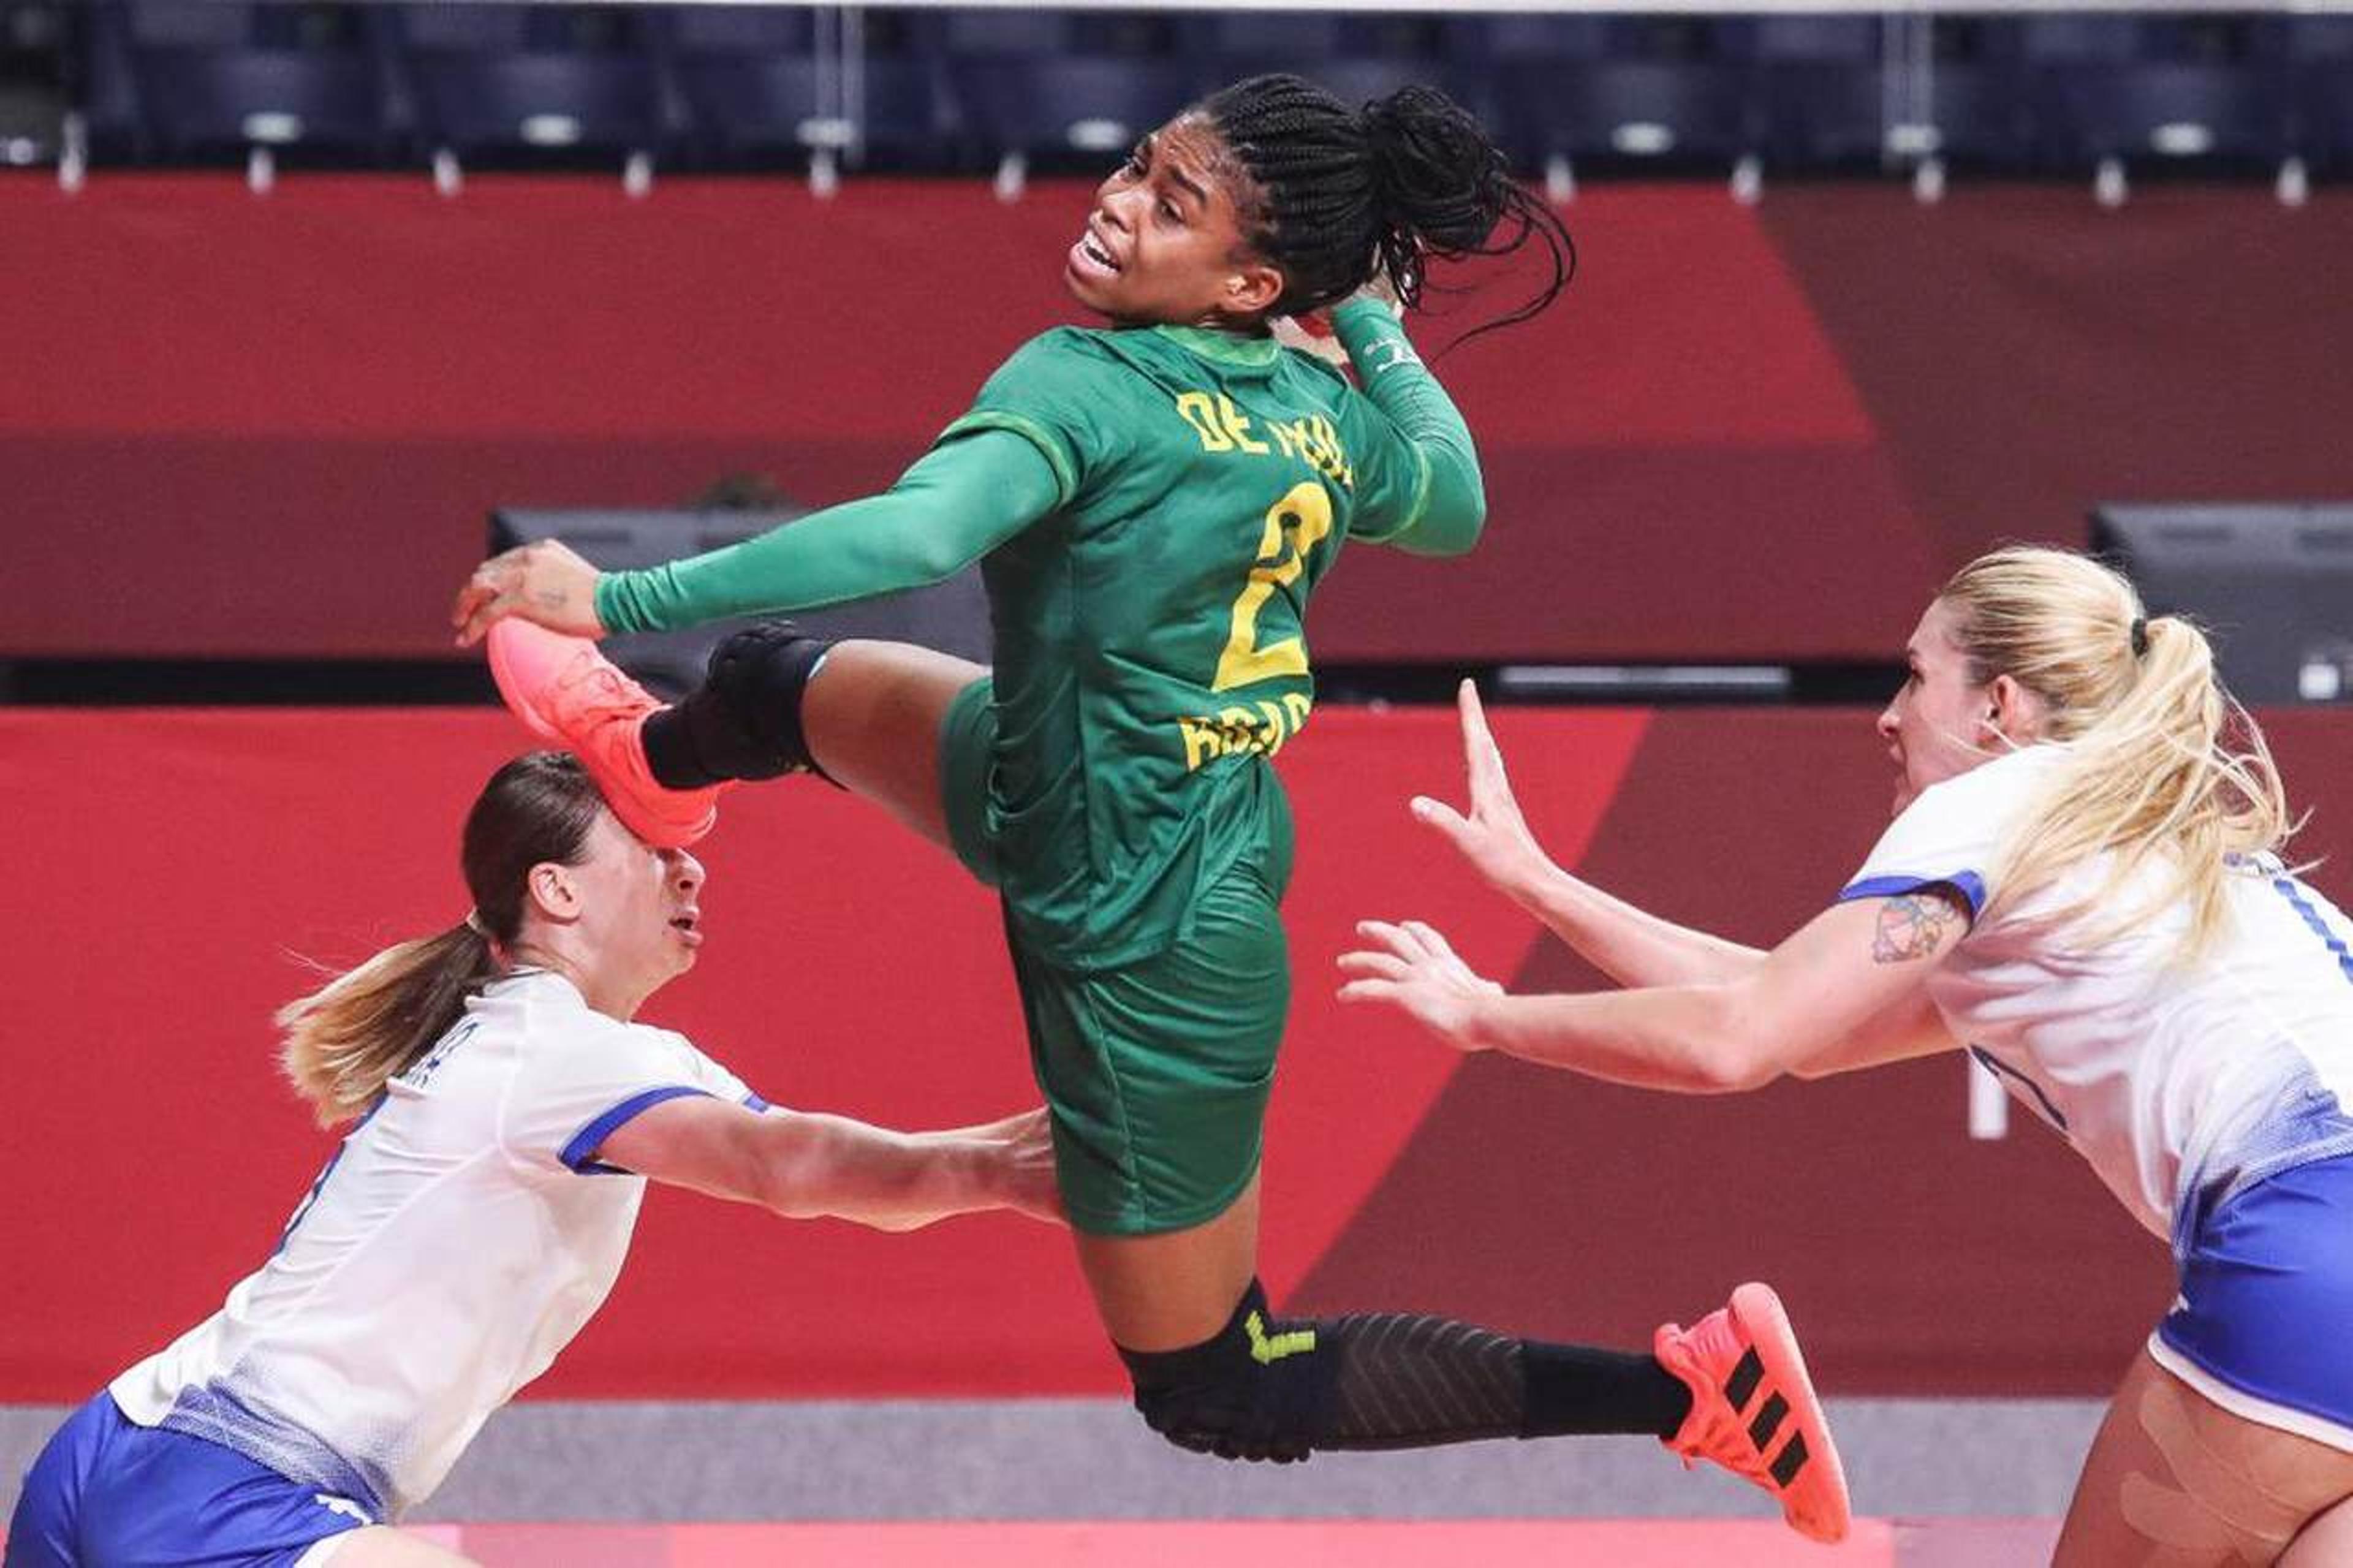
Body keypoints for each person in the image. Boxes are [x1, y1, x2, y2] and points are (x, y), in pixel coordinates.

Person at [447, 74, 1848, 1542]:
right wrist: (1365, 320)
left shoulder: (1085, 383)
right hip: (1052, 768)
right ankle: (649, 765)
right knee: (779, 687)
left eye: (1172, 203)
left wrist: (615, 593)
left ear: (1249, 278)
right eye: (1136, 167)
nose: (1118, 201)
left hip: (1147, 943)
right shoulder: (1312, 402)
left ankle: (1691, 1389)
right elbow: (1451, 495)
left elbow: (920, 532)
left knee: (1217, 1382)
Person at [1341, 544, 2353, 1564]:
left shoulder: (2000, 803)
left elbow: (1734, 1043)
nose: (1888, 713)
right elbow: (1790, 1021)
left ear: (1997, 708)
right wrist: (1541, 885)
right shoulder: (2141, 851)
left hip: (2312, 1255)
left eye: (1917, 676)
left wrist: (1488, 1019)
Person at [6, 752, 1059, 1567]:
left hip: (123, 1447)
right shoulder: (558, 1052)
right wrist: (1008, 1173)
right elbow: (785, 1170)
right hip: (228, 1491)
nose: (690, 864)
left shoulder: (550, 1043)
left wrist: (1017, 1150)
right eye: (651, 843)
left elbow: (823, 1166)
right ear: (556, 892)